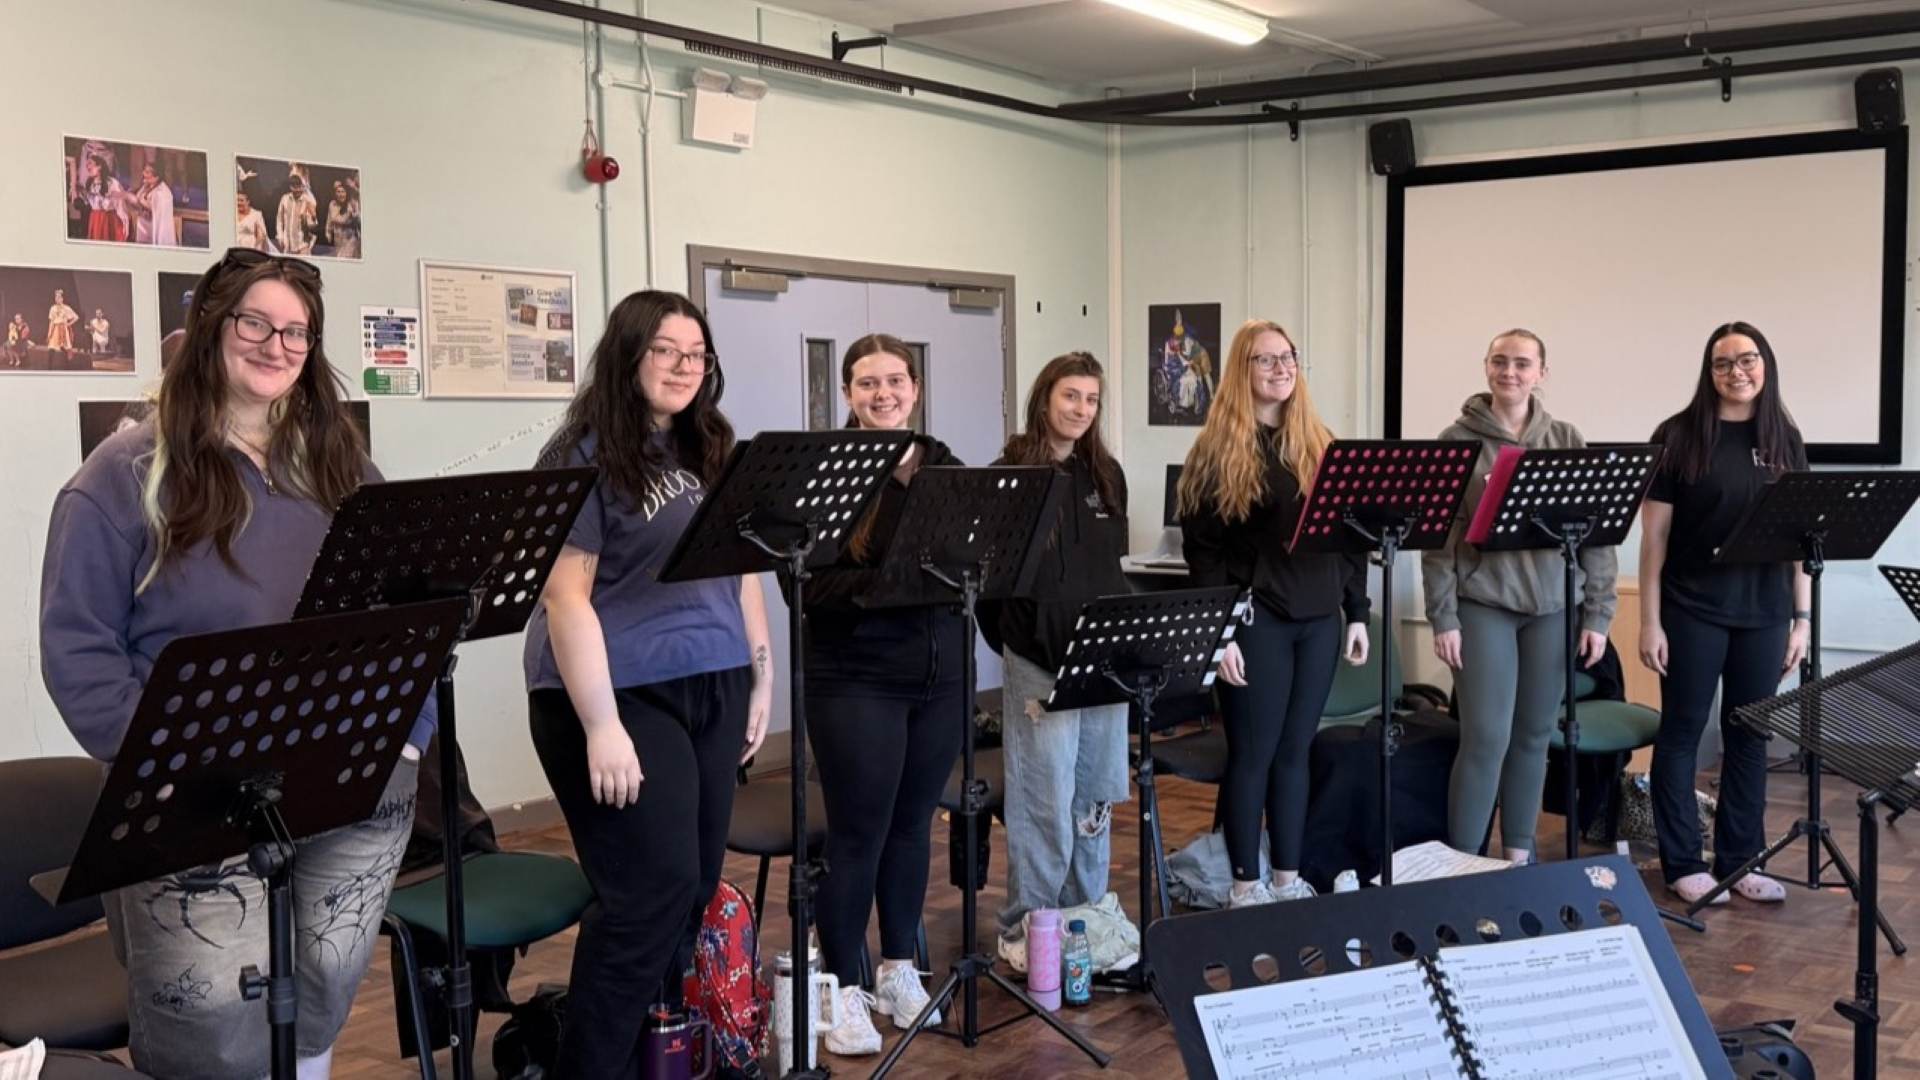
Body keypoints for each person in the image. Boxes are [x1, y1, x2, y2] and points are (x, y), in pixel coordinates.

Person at [39, 247, 422, 1080]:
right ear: (213, 326)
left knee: (321, 985)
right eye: (256, 322)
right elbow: (79, 650)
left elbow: (404, 611)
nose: (277, 345)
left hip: (345, 774)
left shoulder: (339, 465)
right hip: (194, 791)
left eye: (297, 331)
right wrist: (162, 763)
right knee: (210, 1019)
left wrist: (409, 734)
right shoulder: (121, 475)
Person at [522, 289, 772, 1076]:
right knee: (648, 894)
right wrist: (601, 725)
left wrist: (761, 677)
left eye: (696, 353)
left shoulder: (712, 445)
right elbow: (564, 598)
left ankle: (654, 1057)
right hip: (615, 693)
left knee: (693, 887)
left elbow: (743, 571)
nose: (683, 366)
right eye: (665, 350)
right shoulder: (582, 455)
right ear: (629, 355)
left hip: (714, 679)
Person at [800, 335, 963, 1056]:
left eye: (895, 381)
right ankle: (843, 986)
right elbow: (809, 587)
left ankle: (898, 968)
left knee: (912, 827)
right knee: (857, 834)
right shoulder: (827, 472)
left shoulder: (947, 467)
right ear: (848, 395)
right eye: (867, 383)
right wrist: (892, 582)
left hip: (939, 677)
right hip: (856, 678)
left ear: (916, 388)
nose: (883, 394)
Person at [1178, 319, 1369, 905]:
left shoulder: (1319, 443)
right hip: (1255, 623)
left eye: (1288, 357)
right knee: (1253, 756)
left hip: (1319, 622)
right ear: (1242, 369)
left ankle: (1286, 881)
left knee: (1294, 755)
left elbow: (1351, 541)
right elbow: (1203, 555)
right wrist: (1220, 635)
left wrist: (1357, 613)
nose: (1281, 368)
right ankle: (1245, 887)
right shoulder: (1216, 452)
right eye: (1265, 359)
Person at [1422, 328, 1616, 864]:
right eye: (1500, 361)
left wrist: (1598, 615)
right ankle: (1463, 863)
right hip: (1482, 605)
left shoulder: (1567, 438)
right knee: (1486, 737)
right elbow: (1439, 541)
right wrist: (1443, 616)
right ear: (1486, 366)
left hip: (1553, 608)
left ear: (1541, 373)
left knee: (1533, 736)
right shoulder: (1455, 441)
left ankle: (1517, 859)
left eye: (1523, 364)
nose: (1510, 372)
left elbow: (1596, 537)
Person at [1641, 321, 1810, 906]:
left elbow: (1801, 538)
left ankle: (1742, 862)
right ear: (1708, 371)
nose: (1736, 371)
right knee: (1683, 732)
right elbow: (1654, 540)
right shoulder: (1678, 436)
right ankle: (1684, 863)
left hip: (1765, 613)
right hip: (1692, 608)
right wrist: (1650, 621)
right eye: (1723, 363)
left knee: (1750, 736)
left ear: (1766, 364)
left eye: (1747, 359)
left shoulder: (1784, 437)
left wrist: (1802, 620)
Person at [983, 351, 1132, 970]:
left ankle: (1085, 917)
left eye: (1092, 399)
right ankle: (1027, 928)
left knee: (1093, 800)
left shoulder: (1105, 475)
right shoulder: (1009, 474)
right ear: (1045, 397)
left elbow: (1109, 566)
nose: (1081, 409)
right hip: (1038, 664)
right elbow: (990, 582)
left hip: (1101, 661)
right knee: (1043, 803)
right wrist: (1018, 640)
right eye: (1071, 395)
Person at [79, 154, 128, 243]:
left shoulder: (112, 183)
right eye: (87, 165)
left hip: (108, 219)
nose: (88, 167)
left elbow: (120, 204)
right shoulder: (89, 183)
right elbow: (88, 202)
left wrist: (124, 223)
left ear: (99, 166)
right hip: (95, 219)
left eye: (90, 163)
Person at [132, 163, 177, 247]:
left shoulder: (162, 192)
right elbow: (138, 198)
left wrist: (129, 197)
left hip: (154, 227)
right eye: (144, 171)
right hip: (143, 226)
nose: (143, 173)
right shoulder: (147, 185)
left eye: (147, 172)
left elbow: (154, 208)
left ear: (156, 177)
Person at [277, 174, 319, 255]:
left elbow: (313, 226)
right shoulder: (285, 199)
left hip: (302, 246)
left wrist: (312, 216)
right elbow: (279, 220)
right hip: (287, 245)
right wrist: (280, 236)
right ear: (290, 187)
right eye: (294, 187)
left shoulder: (307, 200)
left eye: (299, 187)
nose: (297, 190)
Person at [324, 179, 360, 258]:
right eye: (338, 192)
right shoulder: (332, 204)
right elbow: (330, 219)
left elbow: (354, 219)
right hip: (338, 238)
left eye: (343, 191)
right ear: (335, 193)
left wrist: (353, 213)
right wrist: (328, 232)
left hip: (350, 239)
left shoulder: (351, 204)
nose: (341, 194)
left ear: (346, 193)